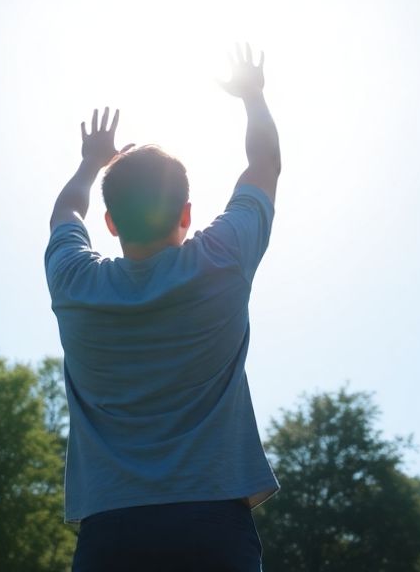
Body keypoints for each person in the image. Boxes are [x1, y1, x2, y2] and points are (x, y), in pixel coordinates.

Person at [44, 43, 282, 571]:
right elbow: (264, 163)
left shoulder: (73, 282)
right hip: (213, 527)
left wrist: (90, 164)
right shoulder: (223, 262)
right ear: (188, 213)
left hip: (111, 531)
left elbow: (65, 210)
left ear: (109, 224)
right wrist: (252, 95)